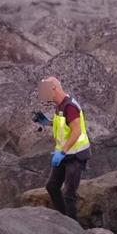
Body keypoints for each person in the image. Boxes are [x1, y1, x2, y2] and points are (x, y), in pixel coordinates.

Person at [33, 76, 91, 221]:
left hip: (76, 156)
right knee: (52, 186)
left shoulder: (69, 106)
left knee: (69, 195)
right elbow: (63, 124)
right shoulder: (60, 105)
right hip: (65, 154)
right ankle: (64, 220)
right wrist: (47, 122)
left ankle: (73, 230)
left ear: (54, 88)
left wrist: (62, 151)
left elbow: (76, 131)